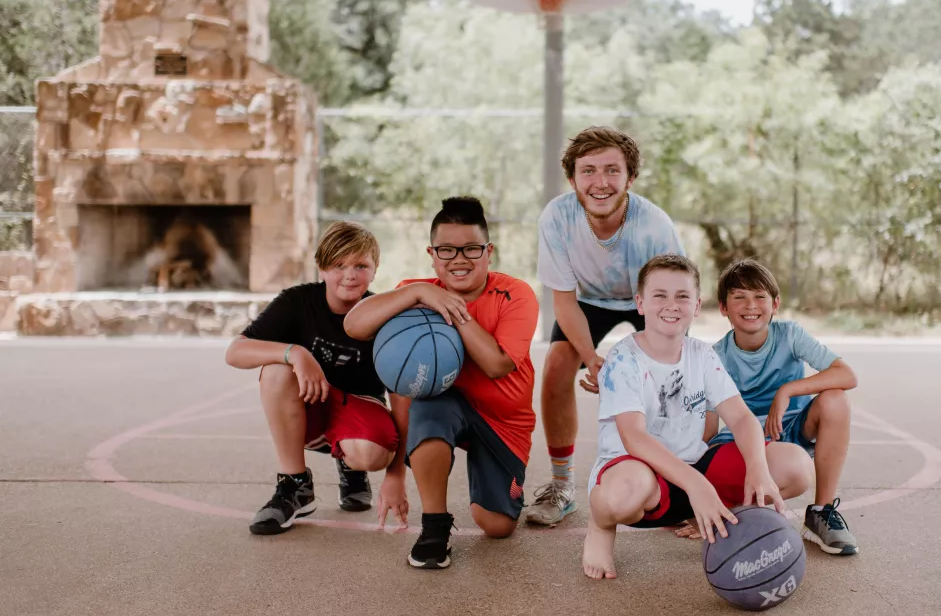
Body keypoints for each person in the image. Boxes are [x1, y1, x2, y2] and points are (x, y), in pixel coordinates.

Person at [582, 254, 813, 580]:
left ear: (696, 306)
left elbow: (742, 419)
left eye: (682, 296)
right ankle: (600, 526)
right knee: (622, 493)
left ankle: (720, 517)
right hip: (643, 476)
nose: (671, 304)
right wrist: (697, 486)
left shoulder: (701, 354)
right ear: (640, 303)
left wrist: (758, 471)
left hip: (695, 467)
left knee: (796, 466)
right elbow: (634, 438)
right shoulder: (623, 358)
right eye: (660, 295)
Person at [345, 196, 539, 569]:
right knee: (427, 398)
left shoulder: (516, 295)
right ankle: (434, 526)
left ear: (489, 251)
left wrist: (452, 306)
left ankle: (493, 481)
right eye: (447, 250)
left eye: (470, 249)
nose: (459, 259)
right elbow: (354, 325)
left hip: (503, 421)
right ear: (432, 254)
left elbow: (497, 365)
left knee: (495, 525)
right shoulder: (416, 290)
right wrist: (418, 293)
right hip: (445, 405)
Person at [525, 125, 685, 528]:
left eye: (612, 170)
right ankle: (562, 486)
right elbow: (563, 300)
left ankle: (678, 482)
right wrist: (593, 360)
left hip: (651, 300)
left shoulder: (654, 227)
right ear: (572, 178)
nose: (601, 182)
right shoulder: (558, 217)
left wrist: (636, 366)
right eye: (589, 170)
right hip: (588, 301)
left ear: (630, 178)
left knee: (672, 381)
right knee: (558, 368)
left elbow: (672, 301)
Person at [224, 221, 407, 535]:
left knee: (369, 452)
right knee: (277, 370)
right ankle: (295, 485)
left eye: (360, 265)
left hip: (358, 409)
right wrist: (295, 352)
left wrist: (396, 475)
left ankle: (352, 465)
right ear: (321, 268)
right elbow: (235, 352)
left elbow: (402, 396)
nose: (349, 274)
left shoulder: (383, 316)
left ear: (375, 271)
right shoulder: (297, 302)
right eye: (338, 265)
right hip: (309, 406)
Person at [708, 258, 860, 555]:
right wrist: (695, 497)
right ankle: (734, 509)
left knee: (835, 399)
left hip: (793, 427)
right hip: (748, 443)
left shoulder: (789, 334)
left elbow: (847, 375)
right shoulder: (715, 357)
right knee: (730, 467)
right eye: (739, 297)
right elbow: (707, 430)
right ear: (724, 307)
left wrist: (787, 391)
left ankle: (821, 512)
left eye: (759, 296)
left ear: (775, 304)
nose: (751, 305)